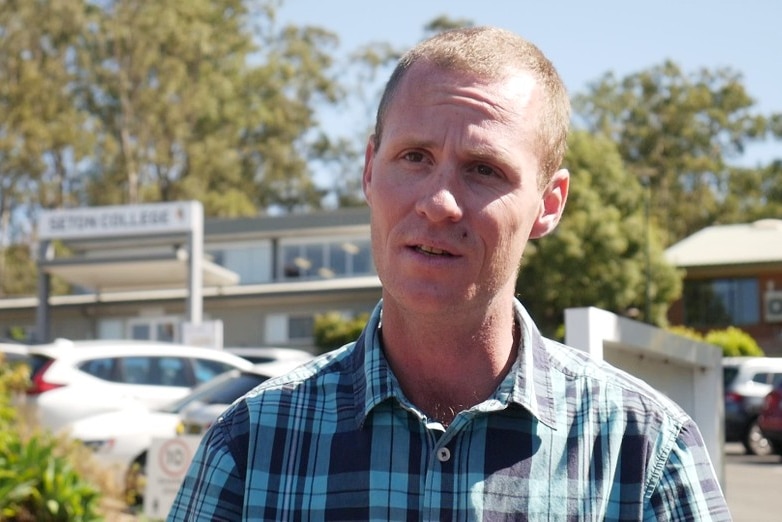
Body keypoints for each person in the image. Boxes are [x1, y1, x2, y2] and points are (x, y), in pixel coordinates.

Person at [168, 27, 731, 521]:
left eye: (484, 170)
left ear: (549, 203)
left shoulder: (644, 452)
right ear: (369, 169)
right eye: (414, 157)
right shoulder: (252, 445)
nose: (439, 202)